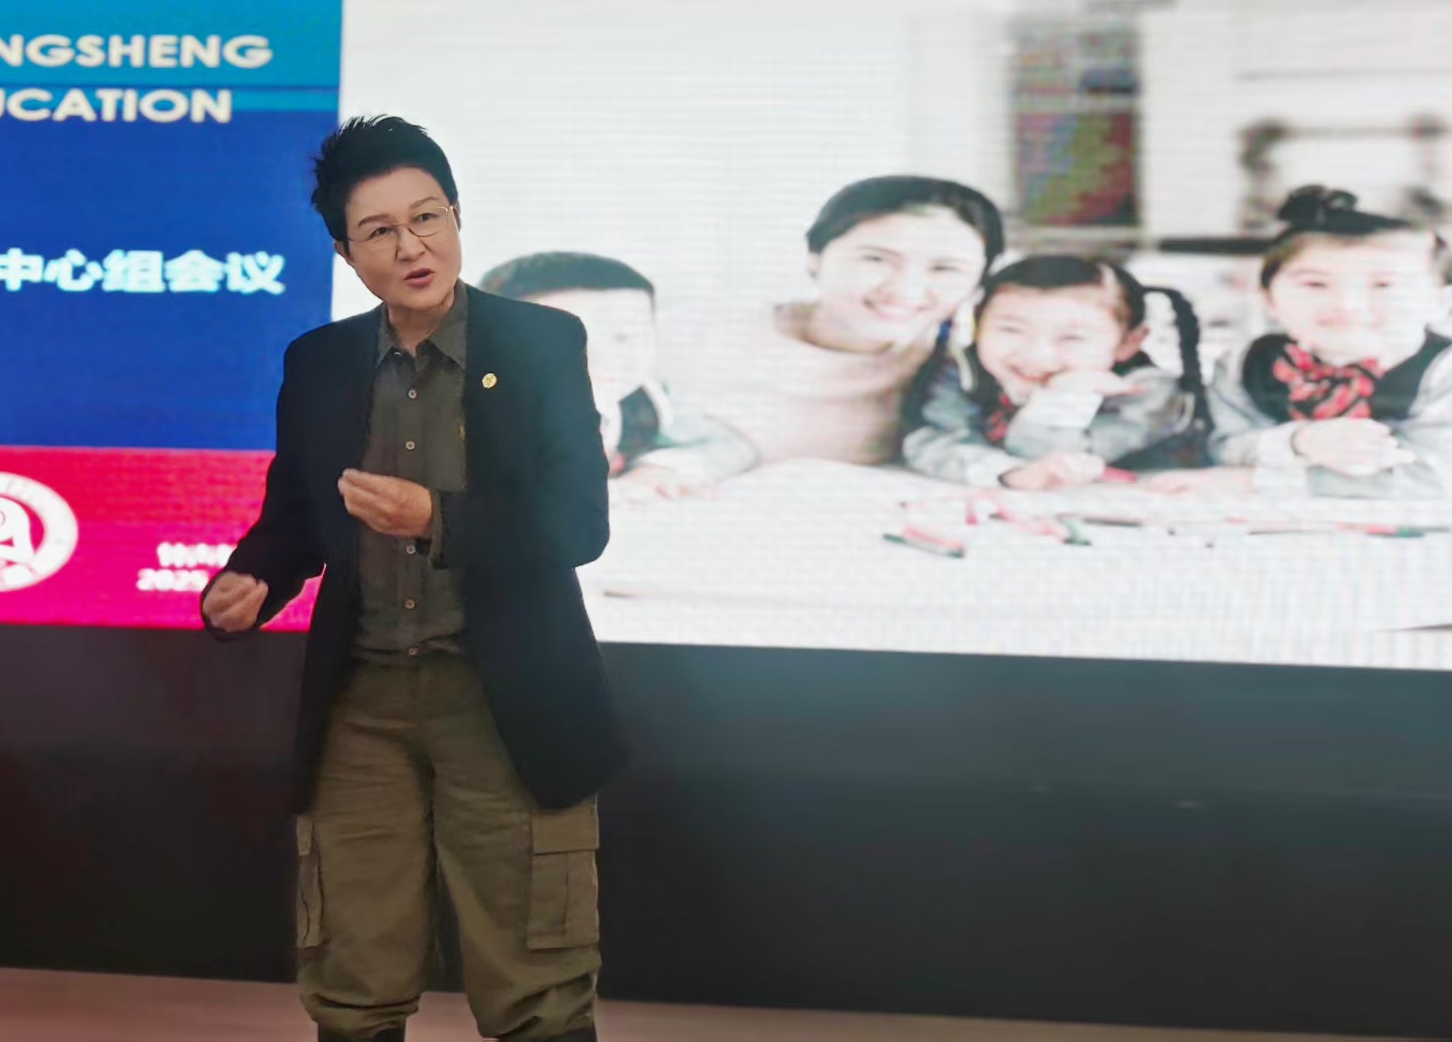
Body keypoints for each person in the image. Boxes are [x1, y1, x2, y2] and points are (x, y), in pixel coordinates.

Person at [200, 117, 622, 1042]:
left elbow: (577, 524)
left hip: (502, 696)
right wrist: (250, 579)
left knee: (537, 987)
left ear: (458, 216)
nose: (411, 246)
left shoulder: (542, 341)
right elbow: (294, 519)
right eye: (380, 230)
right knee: (353, 975)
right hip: (363, 701)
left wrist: (437, 517)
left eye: (427, 217)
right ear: (347, 254)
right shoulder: (319, 362)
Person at [1167, 186, 1452, 498]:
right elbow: (1224, 446)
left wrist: (1258, 481)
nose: (1346, 304)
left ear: (1441, 302)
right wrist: (1300, 442)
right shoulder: (1248, 363)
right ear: (1268, 299)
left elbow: (1433, 477)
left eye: (1383, 285)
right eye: (1315, 284)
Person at [687, 175, 1004, 467]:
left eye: (945, 269)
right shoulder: (704, 338)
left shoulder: (969, 367)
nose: (904, 290)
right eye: (875, 259)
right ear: (815, 257)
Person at [904, 255, 1206, 488]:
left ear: (1129, 342)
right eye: (1011, 330)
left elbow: (1048, 457)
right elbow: (932, 442)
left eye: (1072, 338)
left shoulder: (1145, 391)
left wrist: (1065, 396)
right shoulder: (967, 374)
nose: (1037, 355)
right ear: (976, 326)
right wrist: (1008, 473)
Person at [477, 251, 756, 504]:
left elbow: (731, 445)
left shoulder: (642, 402)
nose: (603, 358)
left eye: (626, 337)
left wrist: (659, 468)